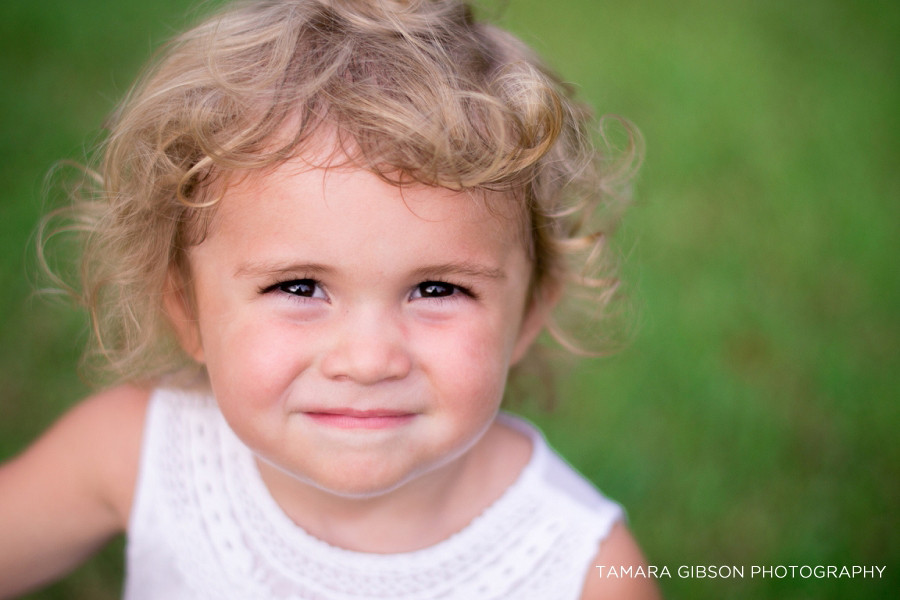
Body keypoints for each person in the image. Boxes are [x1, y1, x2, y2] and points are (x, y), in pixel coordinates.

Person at [0, 1, 659, 598]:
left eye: (437, 289)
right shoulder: (138, 451)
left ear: (530, 312)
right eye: (299, 286)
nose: (369, 360)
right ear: (186, 307)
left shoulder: (582, 570)